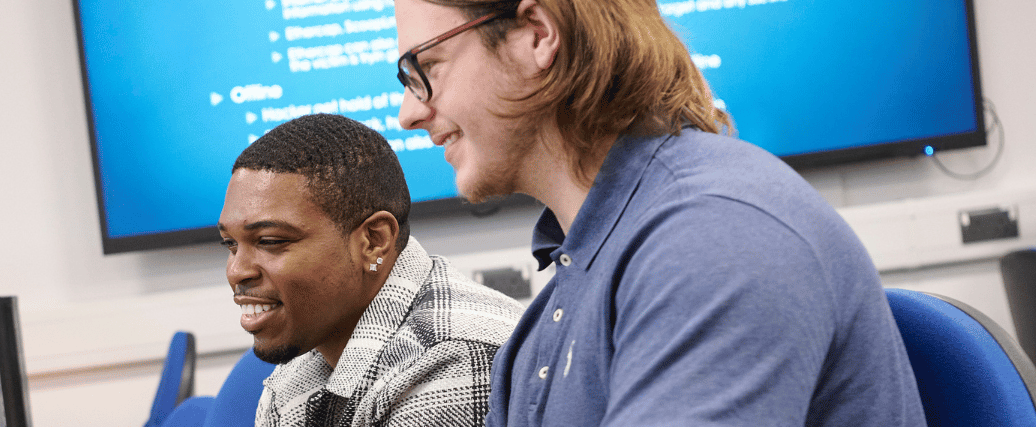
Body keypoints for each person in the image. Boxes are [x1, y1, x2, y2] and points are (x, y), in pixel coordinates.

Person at [388, 0, 927, 425]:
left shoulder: (715, 237)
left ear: (538, 35)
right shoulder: (559, 300)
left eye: (425, 66)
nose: (409, 113)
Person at [219, 113, 524, 426]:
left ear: (374, 241)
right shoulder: (306, 359)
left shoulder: (454, 358)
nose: (236, 271)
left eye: (270, 240)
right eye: (229, 244)